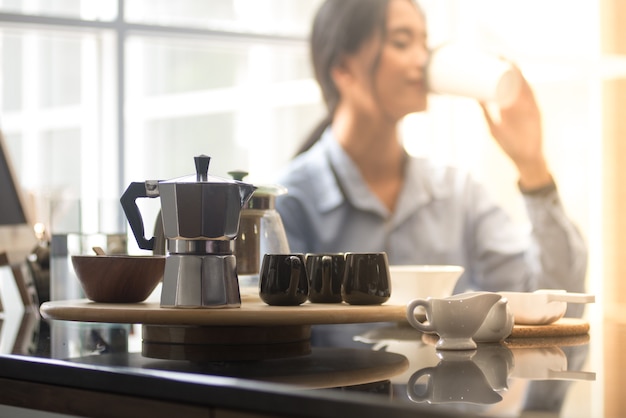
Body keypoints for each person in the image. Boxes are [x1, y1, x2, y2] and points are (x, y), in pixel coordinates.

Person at [274, 0, 587, 316]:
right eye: (401, 42)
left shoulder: (458, 194)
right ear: (343, 69)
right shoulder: (289, 204)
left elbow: (552, 306)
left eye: (424, 42)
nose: (423, 59)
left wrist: (532, 166)